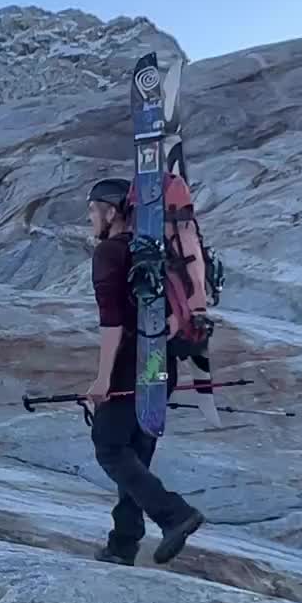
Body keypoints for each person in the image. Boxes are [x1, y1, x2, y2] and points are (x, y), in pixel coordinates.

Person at [86, 177, 204, 566]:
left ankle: (174, 514)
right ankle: (123, 543)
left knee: (109, 446)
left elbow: (111, 320)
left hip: (127, 365)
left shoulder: (110, 252)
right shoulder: (159, 251)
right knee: (136, 451)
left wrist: (102, 378)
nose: (90, 218)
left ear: (111, 211)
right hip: (160, 361)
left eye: (92, 210)